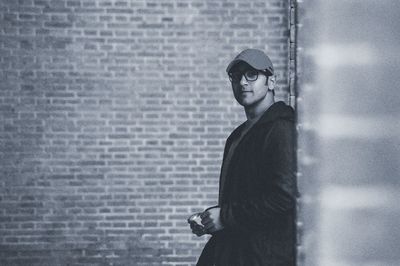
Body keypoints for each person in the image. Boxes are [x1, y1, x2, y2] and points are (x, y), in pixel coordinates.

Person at [188, 48, 298, 266]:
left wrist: (225, 217)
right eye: (236, 77)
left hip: (265, 256)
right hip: (235, 250)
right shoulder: (238, 135)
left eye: (252, 75)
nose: (242, 82)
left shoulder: (281, 129)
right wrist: (212, 220)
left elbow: (284, 198)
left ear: (271, 82)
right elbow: (243, 197)